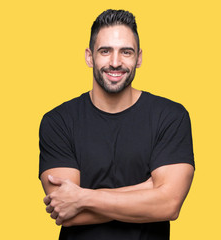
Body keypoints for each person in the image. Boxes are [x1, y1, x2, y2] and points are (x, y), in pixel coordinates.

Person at [38, 9, 195, 240]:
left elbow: (169, 205)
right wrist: (149, 189)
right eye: (105, 51)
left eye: (126, 52)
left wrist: (83, 197)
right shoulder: (58, 121)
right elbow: (67, 213)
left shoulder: (170, 116)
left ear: (139, 58)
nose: (115, 62)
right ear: (89, 56)